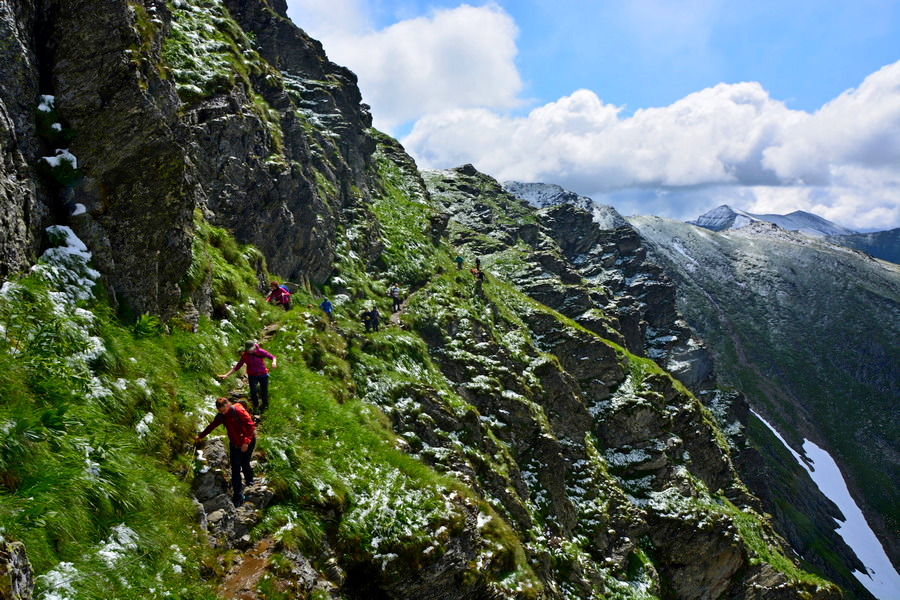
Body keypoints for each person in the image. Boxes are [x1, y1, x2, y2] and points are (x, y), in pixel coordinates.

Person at [195, 397, 256, 506]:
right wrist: (200, 436)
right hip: (234, 444)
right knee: (235, 469)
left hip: (248, 442)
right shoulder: (222, 417)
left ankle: (249, 479)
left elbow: (250, 426)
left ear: (228, 405)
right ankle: (237, 495)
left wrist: (246, 442)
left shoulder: (238, 411)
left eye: (224, 410)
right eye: (221, 411)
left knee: (245, 463)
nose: (223, 412)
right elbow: (212, 426)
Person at [219, 341, 277, 413]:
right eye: (248, 349)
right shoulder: (245, 355)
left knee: (264, 392)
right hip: (252, 375)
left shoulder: (260, 352)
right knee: (253, 391)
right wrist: (226, 374)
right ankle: (256, 407)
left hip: (263, 375)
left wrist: (274, 362)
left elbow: (272, 357)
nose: (249, 351)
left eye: (251, 349)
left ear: (254, 347)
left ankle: (265, 406)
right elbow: (238, 366)